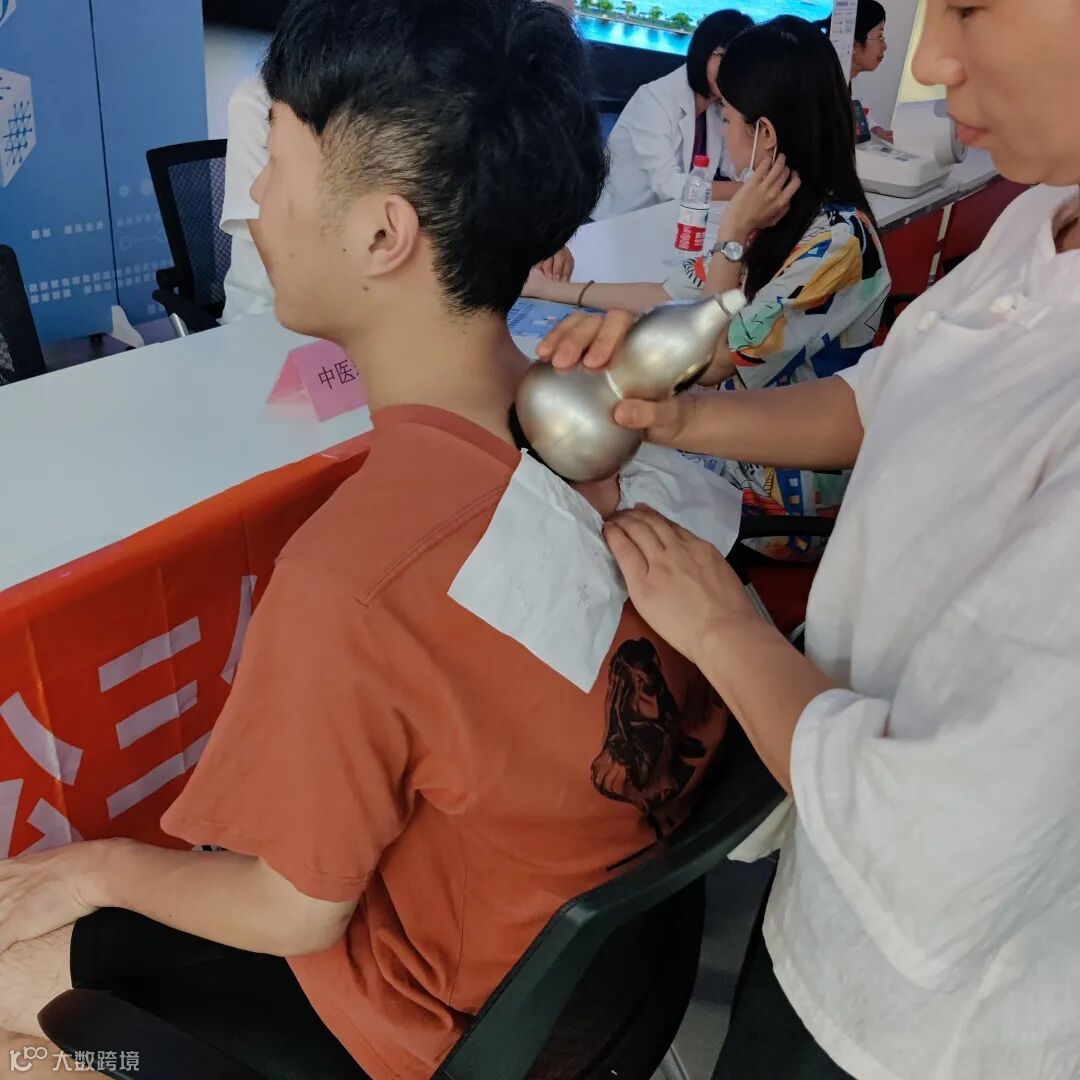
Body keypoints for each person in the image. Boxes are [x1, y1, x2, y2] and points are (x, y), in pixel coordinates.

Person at [0, 2, 730, 1079]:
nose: (253, 199)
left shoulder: (352, 576)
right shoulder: (607, 432)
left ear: (383, 235)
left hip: (435, 1020)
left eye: (275, 163)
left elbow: (292, 911)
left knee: (16, 987)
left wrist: (93, 868)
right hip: (592, 986)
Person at [538, 0, 1080, 1076]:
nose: (927, 59)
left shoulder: (837, 240)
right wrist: (681, 419)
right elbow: (880, 396)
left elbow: (928, 842)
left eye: (973, 5)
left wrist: (726, 630)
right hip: (825, 885)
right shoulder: (1042, 222)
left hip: (931, 1027)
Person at [528, 17, 890, 559]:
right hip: (721, 436)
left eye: (728, 117)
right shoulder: (781, 211)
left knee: (574, 482)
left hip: (774, 483)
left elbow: (710, 356)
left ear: (765, 134)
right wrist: (554, 291)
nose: (723, 130)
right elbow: (673, 296)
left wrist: (732, 237)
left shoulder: (837, 243)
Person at [219, 63, 575, 323]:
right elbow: (288, 270)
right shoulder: (263, 101)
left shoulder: (412, 86)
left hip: (396, 309)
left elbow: (445, 196)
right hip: (272, 323)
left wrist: (520, 233)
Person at [592, 9, 753, 221]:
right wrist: (745, 190)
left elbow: (732, 163)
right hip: (616, 222)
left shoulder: (716, 108)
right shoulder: (653, 100)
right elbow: (667, 184)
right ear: (705, 52)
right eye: (728, 60)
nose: (735, 73)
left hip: (670, 220)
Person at [821, 1, 890, 141]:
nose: (884, 46)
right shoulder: (819, 88)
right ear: (852, 44)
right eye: (880, 36)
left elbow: (864, 118)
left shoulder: (852, 83)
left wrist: (875, 130)